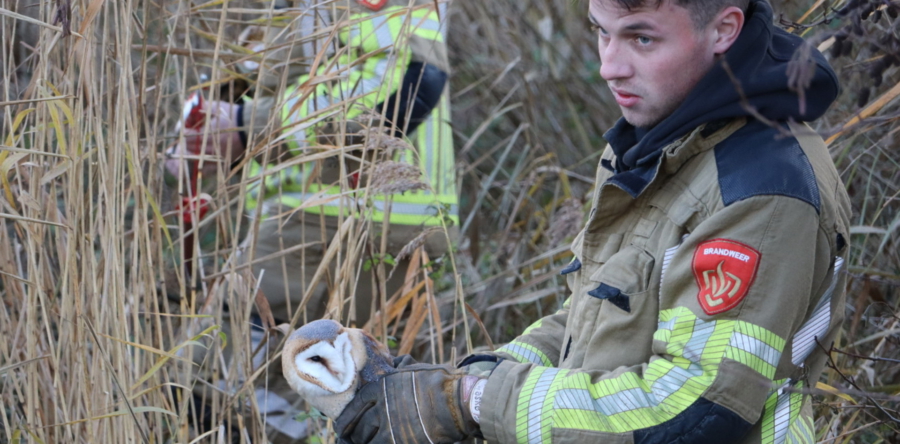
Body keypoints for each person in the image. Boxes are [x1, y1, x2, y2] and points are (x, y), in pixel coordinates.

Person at [334, 0, 851, 442]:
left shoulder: (763, 186)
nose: (609, 67)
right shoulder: (654, 141)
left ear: (723, 29)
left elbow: (695, 410)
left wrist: (476, 401)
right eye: (602, 32)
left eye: (642, 39)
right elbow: (590, 321)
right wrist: (465, 380)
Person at [163, 0, 457, 441]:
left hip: (350, 223)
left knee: (207, 384)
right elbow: (280, 73)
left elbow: (405, 82)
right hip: (312, 221)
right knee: (262, 406)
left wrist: (245, 126)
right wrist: (207, 128)